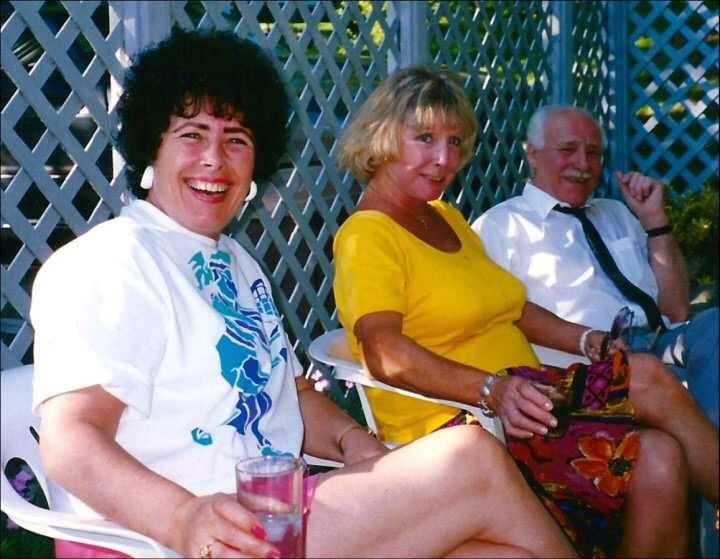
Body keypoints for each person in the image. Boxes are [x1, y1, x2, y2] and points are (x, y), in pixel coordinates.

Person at [29, 28, 579, 559]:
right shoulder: (113, 259)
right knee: (471, 455)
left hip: (276, 511)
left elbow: (289, 394)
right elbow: (71, 441)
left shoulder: (236, 263)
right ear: (151, 144)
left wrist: (354, 443)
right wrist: (183, 519)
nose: (214, 159)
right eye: (192, 134)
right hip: (174, 536)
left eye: (236, 140)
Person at [333, 65, 717, 557]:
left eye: (455, 142)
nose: (444, 159)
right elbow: (382, 351)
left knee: (661, 459)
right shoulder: (368, 234)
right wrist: (492, 389)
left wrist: (585, 339)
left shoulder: (443, 215)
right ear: (382, 137)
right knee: (646, 376)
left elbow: (511, 308)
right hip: (464, 425)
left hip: (528, 401)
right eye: (425, 138)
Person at [471, 104, 719, 557]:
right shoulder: (499, 227)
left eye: (593, 152)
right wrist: (587, 340)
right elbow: (499, 316)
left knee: (714, 326)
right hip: (580, 367)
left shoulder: (616, 213)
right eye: (567, 149)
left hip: (655, 347)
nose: (583, 164)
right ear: (532, 153)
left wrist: (654, 222)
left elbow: (676, 309)